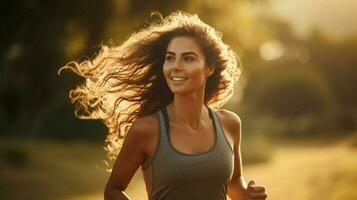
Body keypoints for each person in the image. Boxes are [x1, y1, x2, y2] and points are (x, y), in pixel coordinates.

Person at [59, 11, 267, 200]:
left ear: (209, 68)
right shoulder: (146, 130)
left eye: (188, 58)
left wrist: (247, 195)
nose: (175, 66)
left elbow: (233, 183)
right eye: (170, 58)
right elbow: (113, 190)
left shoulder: (230, 124)